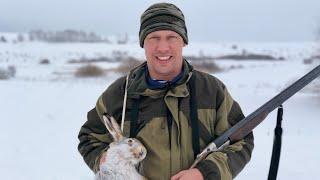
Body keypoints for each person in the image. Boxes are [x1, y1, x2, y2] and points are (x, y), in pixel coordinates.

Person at [78, 2, 254, 180]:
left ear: (183, 41)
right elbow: (89, 138)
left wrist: (204, 173)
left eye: (171, 37)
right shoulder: (120, 94)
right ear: (143, 43)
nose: (162, 48)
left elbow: (241, 141)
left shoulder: (212, 91)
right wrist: (105, 161)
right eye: (154, 37)